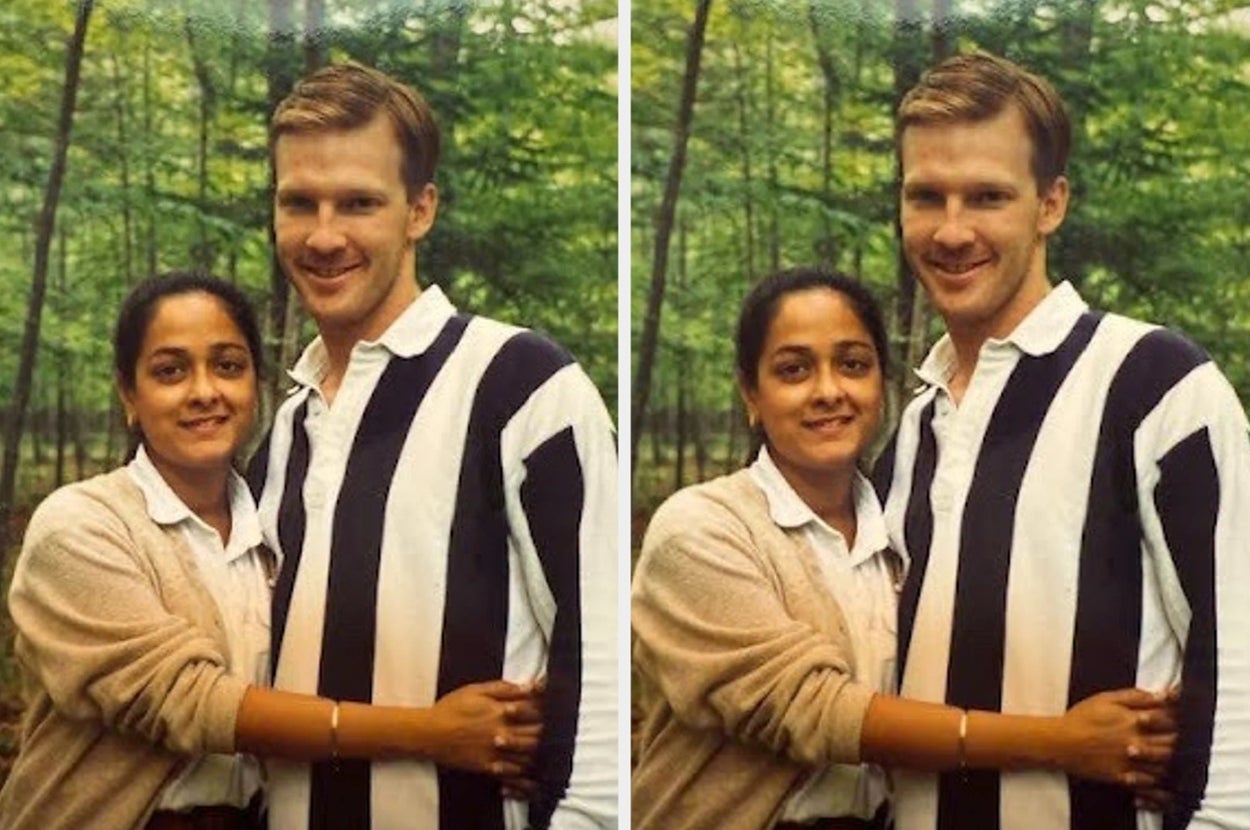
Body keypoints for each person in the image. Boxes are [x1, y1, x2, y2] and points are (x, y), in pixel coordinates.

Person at [631, 267, 1177, 830]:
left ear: (882, 385)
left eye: (853, 364)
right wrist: (1060, 742)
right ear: (752, 394)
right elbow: (811, 709)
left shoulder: (903, 523)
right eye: (793, 370)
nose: (828, 391)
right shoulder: (701, 530)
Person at [0, 273, 543, 830]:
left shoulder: (280, 527)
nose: (204, 391)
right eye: (170, 371)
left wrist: (507, 733)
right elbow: (187, 700)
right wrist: (433, 733)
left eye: (228, 365)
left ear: (256, 384)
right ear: (128, 395)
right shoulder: (81, 527)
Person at [873, 51, 1250, 829]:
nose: (951, 230)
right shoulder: (910, 430)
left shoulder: (1155, 386)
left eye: (987, 197)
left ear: (1051, 203)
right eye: (925, 197)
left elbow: (1238, 659)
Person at [245, 62, 617, 829]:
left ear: (420, 210)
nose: (323, 235)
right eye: (298, 204)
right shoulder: (285, 429)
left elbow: (601, 648)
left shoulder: (521, 385)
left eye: (358, 203)